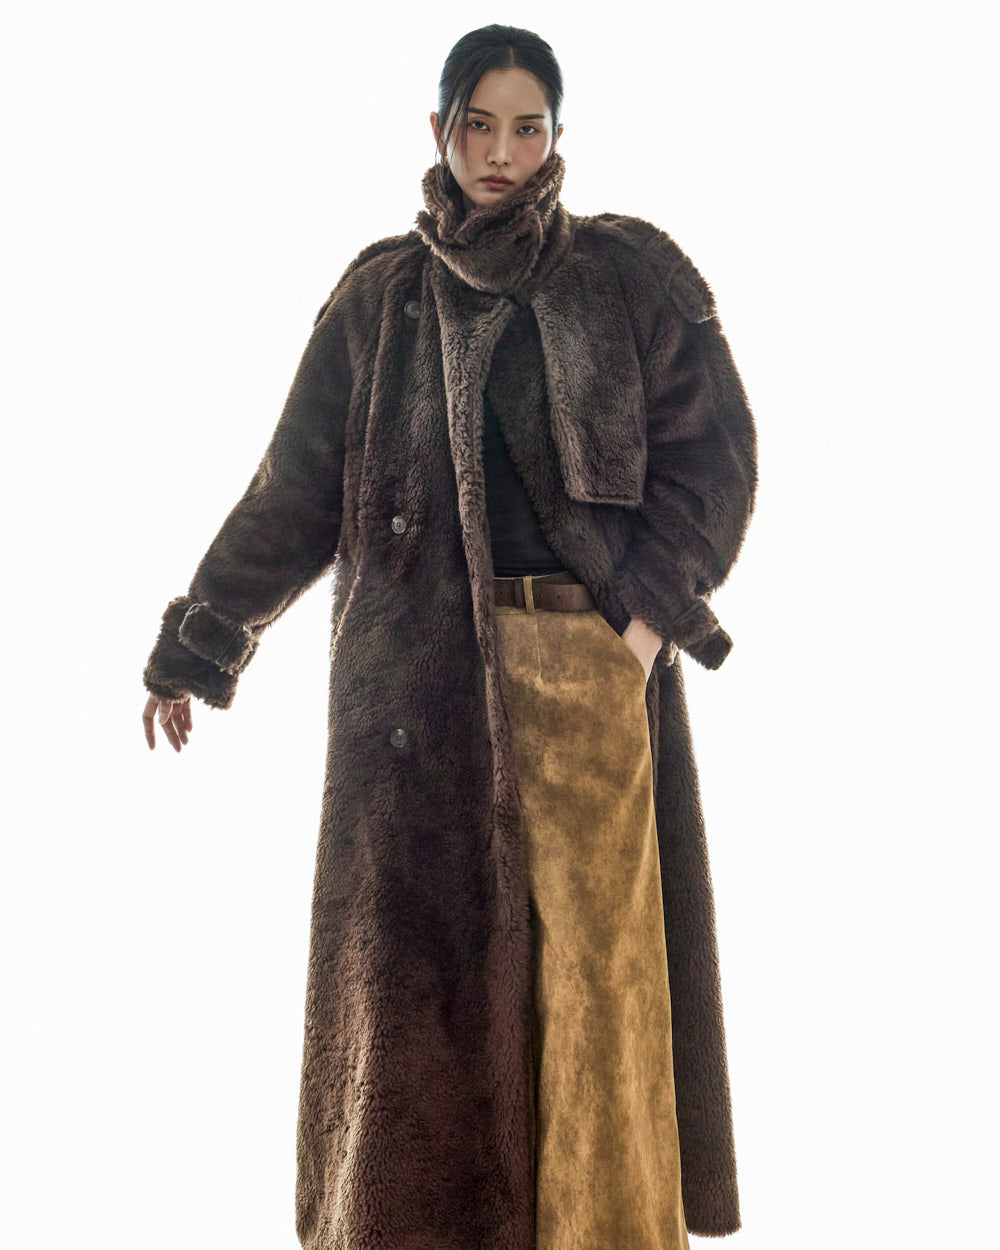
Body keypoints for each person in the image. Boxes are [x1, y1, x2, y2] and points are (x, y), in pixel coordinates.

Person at [141, 23, 757, 1250]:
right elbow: (293, 491)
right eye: (479, 124)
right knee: (418, 1002)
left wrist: (634, 632)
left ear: (558, 137)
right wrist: (201, 638)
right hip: (414, 703)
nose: (501, 152)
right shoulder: (379, 300)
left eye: (527, 127)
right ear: (439, 130)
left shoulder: (627, 277)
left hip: (586, 679)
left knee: (595, 994)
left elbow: (715, 461)